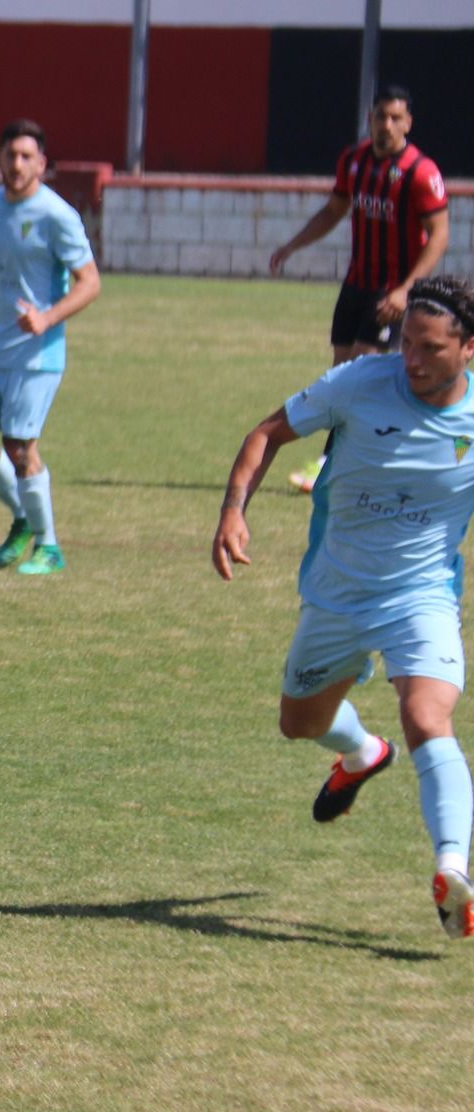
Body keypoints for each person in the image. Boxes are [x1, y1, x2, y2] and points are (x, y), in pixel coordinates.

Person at [211, 275, 474, 937]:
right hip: (337, 592)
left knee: (426, 714)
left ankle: (454, 871)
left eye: (431, 349)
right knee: (298, 722)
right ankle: (361, 752)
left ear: (469, 349)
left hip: (421, 596)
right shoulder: (359, 382)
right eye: (407, 342)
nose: (412, 359)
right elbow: (267, 433)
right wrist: (232, 511)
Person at [268, 85, 451, 494]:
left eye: (394, 118)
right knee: (340, 374)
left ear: (408, 123)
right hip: (355, 285)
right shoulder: (354, 161)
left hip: (390, 292)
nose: (385, 125)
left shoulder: (421, 173)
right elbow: (334, 209)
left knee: (357, 377)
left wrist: (406, 289)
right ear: (370, 118)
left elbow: (439, 235)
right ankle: (366, 458)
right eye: (379, 116)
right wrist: (293, 245)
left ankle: (329, 465)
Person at [0, 118, 102, 576]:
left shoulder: (56, 215)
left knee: (19, 447)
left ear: (42, 164)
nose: (17, 164)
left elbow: (90, 283)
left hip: (35, 355)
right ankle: (23, 518)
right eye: (10, 155)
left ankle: (49, 547)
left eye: (26, 157)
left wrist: (46, 317)